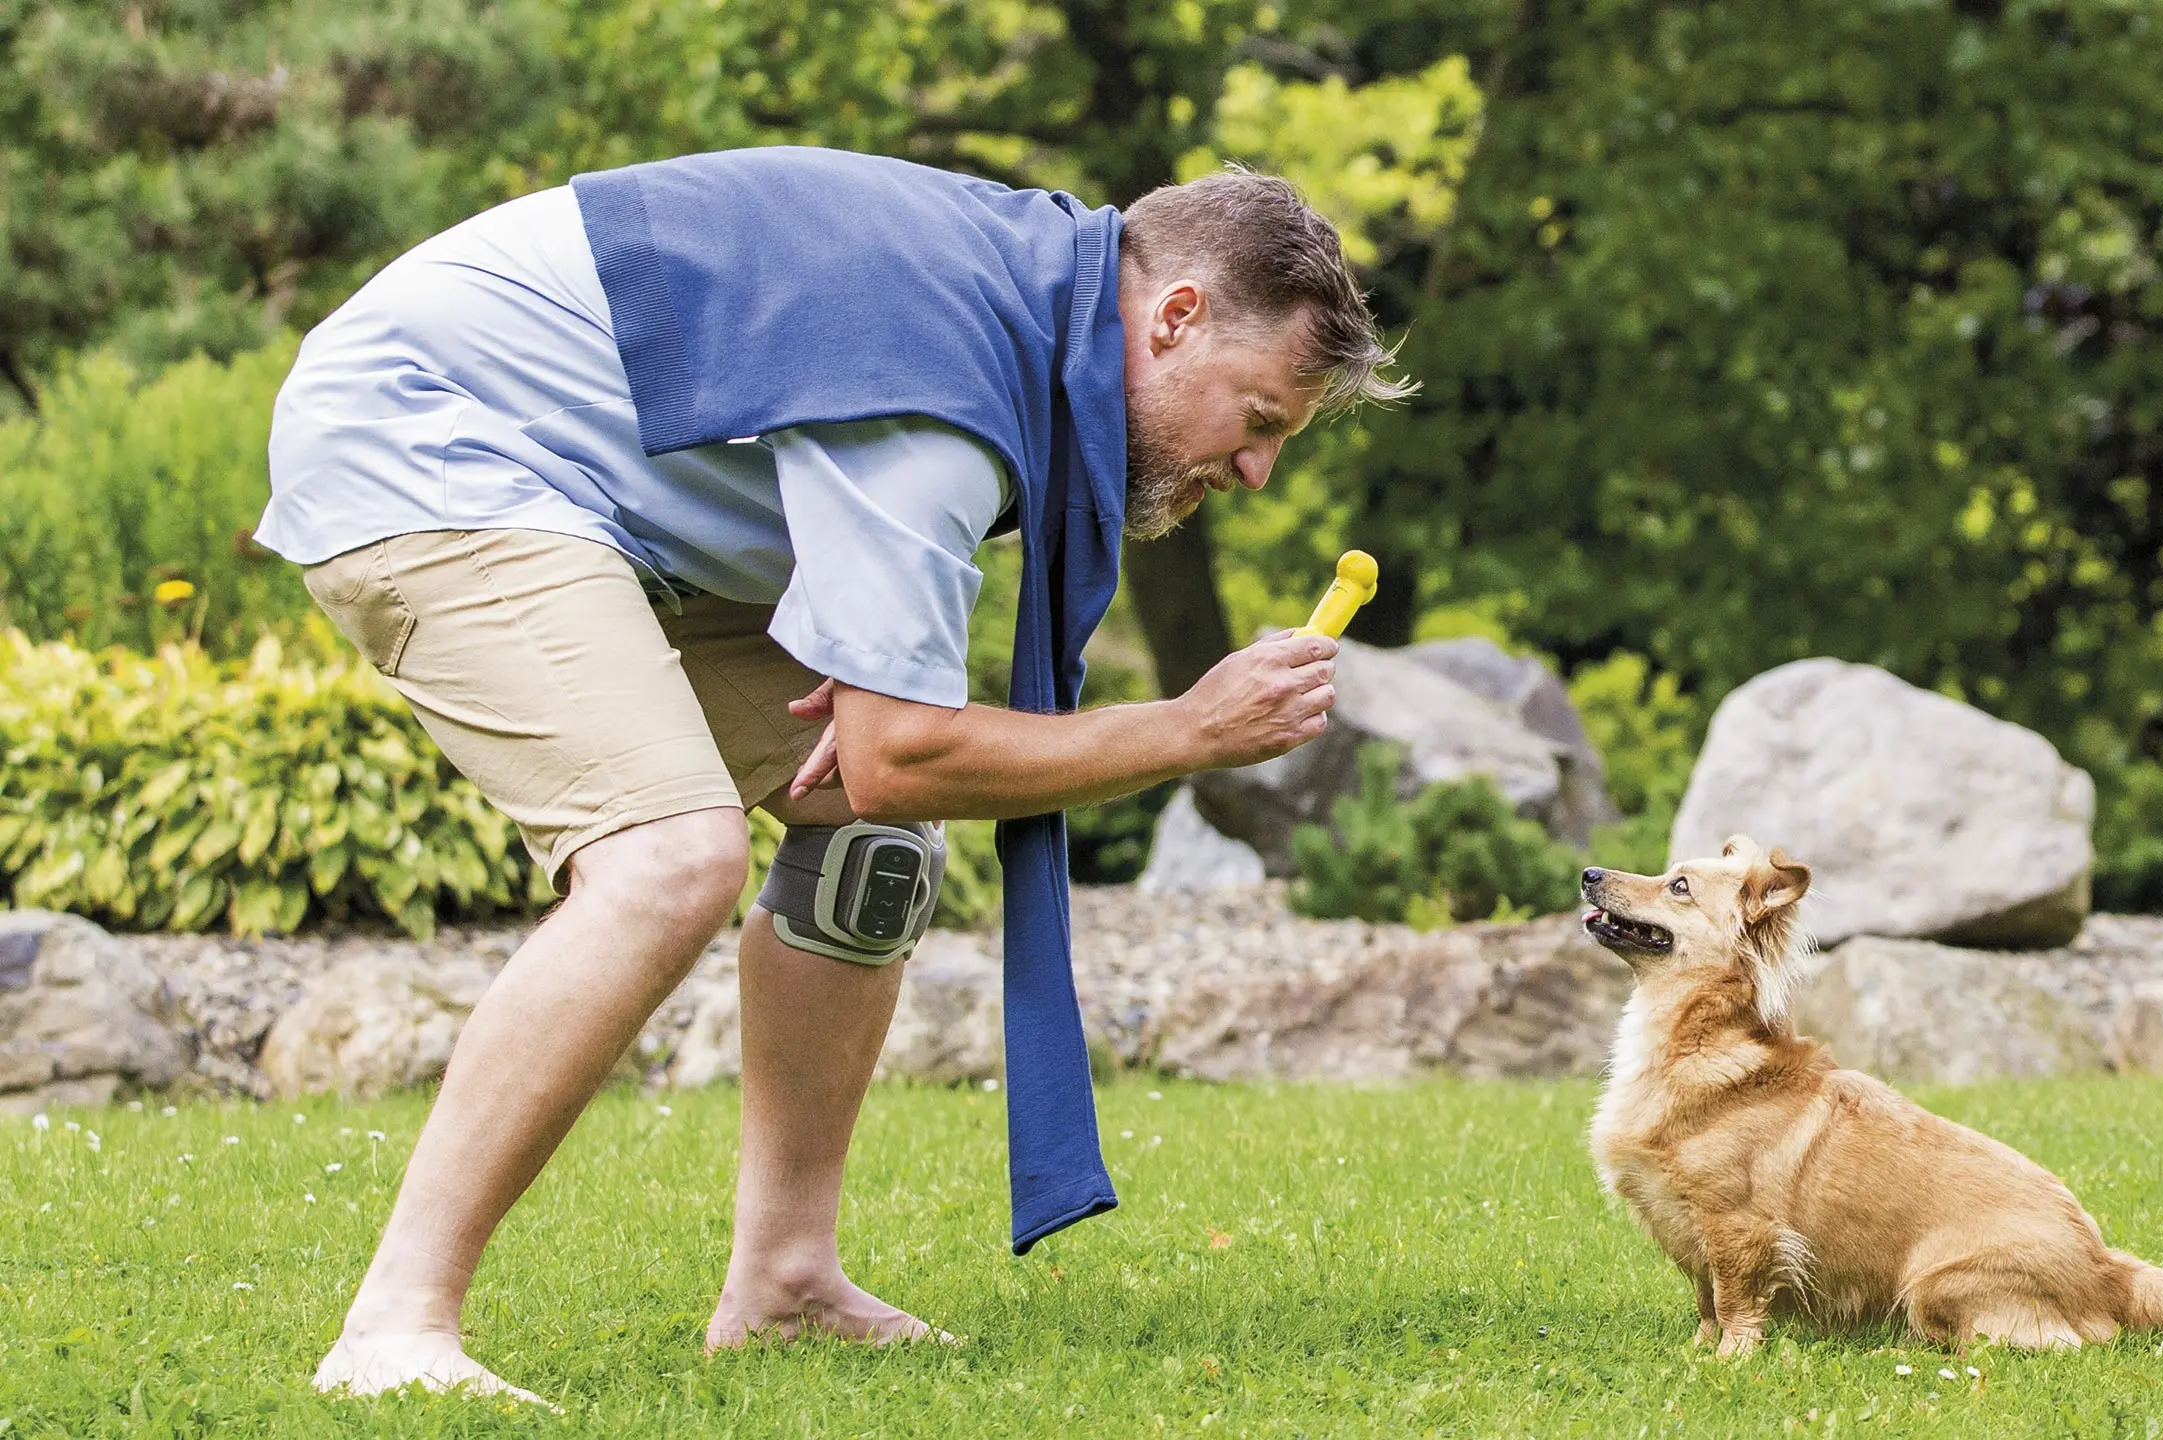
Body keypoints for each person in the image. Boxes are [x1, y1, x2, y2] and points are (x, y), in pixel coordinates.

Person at [254, 146, 1409, 1404]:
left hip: (626, 513)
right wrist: (1187, 728)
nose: (1254, 474)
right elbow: (904, 749)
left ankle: (785, 1284)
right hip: (434, 440)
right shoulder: (946, 377)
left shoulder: (1015, 314)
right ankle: (392, 1329)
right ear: (1174, 317)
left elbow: (882, 770)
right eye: (1258, 424)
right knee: (670, 861)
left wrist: (898, 723)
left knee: (870, 845)